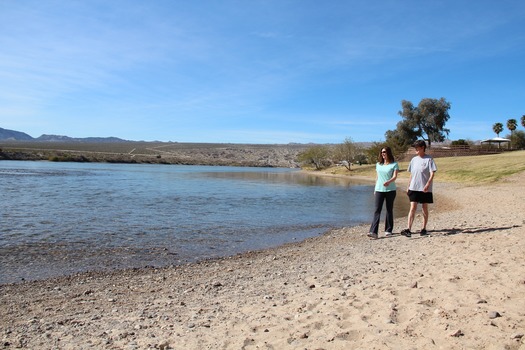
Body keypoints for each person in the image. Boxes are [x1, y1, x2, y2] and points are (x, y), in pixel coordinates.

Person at [400, 140, 437, 237]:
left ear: (422, 148)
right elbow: (412, 175)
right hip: (413, 187)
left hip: (425, 188)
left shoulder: (429, 159)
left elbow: (432, 173)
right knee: (412, 207)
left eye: (417, 147)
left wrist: (428, 184)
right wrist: (408, 187)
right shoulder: (413, 160)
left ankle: (423, 228)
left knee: (424, 208)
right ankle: (408, 229)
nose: (416, 149)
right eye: (415, 148)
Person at [367, 146, 399, 239]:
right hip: (379, 190)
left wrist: (389, 181)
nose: (383, 154)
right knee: (377, 210)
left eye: (384, 152)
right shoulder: (378, 164)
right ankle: (373, 231)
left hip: (390, 190)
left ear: (388, 153)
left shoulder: (394, 164)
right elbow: (377, 177)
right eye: (382, 152)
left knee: (389, 210)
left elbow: (395, 176)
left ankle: (388, 230)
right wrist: (375, 189)